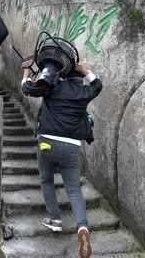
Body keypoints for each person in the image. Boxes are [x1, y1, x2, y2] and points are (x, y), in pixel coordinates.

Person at [20, 60, 102, 258]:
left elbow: (27, 89)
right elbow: (98, 85)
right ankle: (83, 228)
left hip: (47, 141)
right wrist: (86, 71)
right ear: (78, 77)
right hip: (72, 145)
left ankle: (54, 219)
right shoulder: (84, 93)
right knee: (74, 189)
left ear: (62, 75)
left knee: (46, 180)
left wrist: (25, 74)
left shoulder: (52, 87)